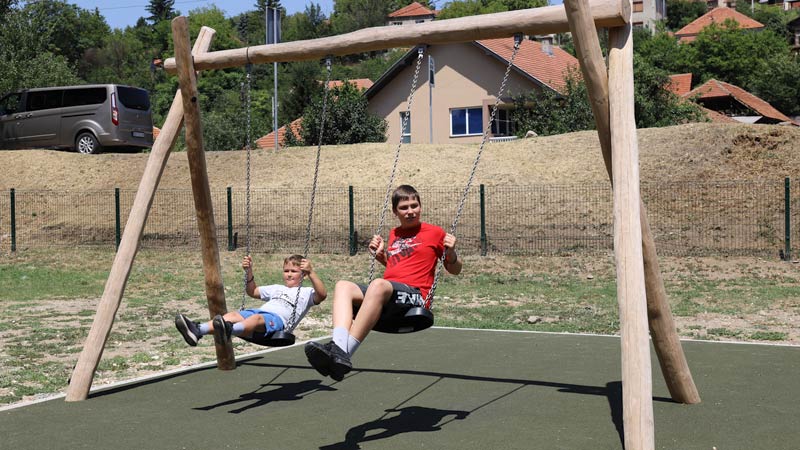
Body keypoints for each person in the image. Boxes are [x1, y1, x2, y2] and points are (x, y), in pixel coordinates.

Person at [305, 185, 462, 381]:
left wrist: (452, 253)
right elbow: (398, 267)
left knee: (378, 284)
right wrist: (381, 256)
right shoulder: (394, 234)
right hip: (391, 292)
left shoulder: (435, 233)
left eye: (414, 205)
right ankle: (337, 347)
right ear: (395, 211)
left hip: (416, 296)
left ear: (420, 206)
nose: (410, 211)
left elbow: (455, 270)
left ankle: (343, 354)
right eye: (404, 207)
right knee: (343, 286)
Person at [175, 254, 327, 346]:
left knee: (256, 318)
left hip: (278, 322)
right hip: (259, 313)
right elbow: (252, 291)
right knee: (233, 315)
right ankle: (198, 330)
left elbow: (322, 295)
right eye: (286, 270)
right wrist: (248, 271)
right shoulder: (276, 288)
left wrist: (312, 273)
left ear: (303, 274)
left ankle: (229, 330)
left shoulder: (307, 292)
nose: (289, 274)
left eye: (294, 271)